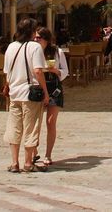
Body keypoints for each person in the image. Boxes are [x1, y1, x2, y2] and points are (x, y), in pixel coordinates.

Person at [3, 18, 49, 173]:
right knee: (31, 128)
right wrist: (45, 92)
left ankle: (14, 162)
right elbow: (38, 71)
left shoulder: (10, 47)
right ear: (31, 31)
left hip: (14, 93)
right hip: (30, 94)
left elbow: (6, 72)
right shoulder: (34, 47)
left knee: (14, 128)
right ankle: (28, 162)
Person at [35, 26, 68, 170]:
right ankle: (33, 150)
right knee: (35, 122)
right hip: (38, 87)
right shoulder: (33, 51)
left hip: (54, 86)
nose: (36, 40)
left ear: (46, 40)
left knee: (50, 121)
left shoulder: (57, 52)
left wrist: (55, 71)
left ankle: (48, 154)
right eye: (35, 37)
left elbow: (65, 71)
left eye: (39, 38)